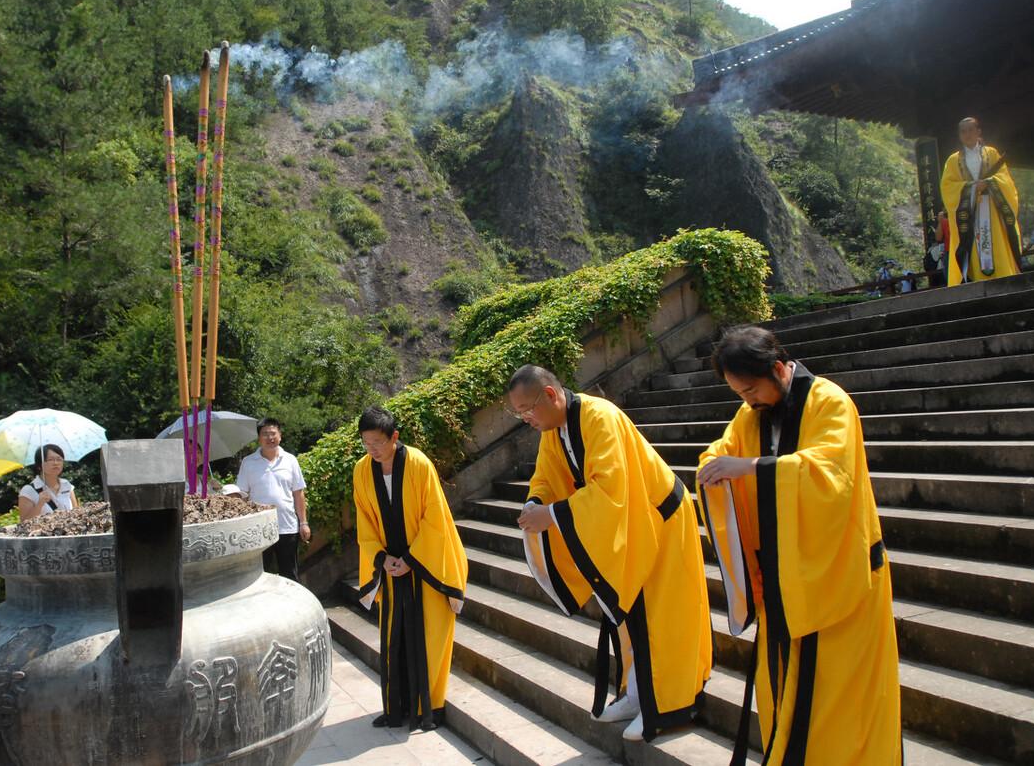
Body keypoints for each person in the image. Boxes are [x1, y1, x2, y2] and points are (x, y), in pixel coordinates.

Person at [696, 326, 901, 765]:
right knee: (787, 693)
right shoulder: (752, 412)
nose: (747, 401)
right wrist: (715, 465)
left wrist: (750, 466)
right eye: (739, 393)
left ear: (777, 369)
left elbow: (830, 473)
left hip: (842, 577)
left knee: (844, 701)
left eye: (750, 390)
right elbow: (722, 450)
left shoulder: (830, 402)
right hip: (786, 579)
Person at [510, 365, 711, 742]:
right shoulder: (554, 430)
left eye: (528, 409)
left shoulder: (599, 417)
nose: (525, 418)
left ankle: (668, 706)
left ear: (550, 395)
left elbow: (610, 486)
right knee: (630, 616)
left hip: (659, 518)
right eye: (519, 413)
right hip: (632, 521)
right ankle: (637, 695)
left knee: (663, 617)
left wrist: (551, 514)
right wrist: (535, 502)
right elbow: (545, 477)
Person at [353, 407, 467, 732]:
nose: (372, 449)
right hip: (390, 568)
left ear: (394, 437)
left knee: (426, 636)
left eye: (377, 442)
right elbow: (364, 519)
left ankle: (428, 709)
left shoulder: (418, 464)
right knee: (394, 639)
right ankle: (396, 708)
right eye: (366, 443)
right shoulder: (362, 471)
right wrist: (380, 558)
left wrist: (411, 560)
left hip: (424, 566)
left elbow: (435, 518)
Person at [940, 117, 1022, 285]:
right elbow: (948, 187)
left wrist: (990, 183)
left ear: (978, 132)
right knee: (974, 247)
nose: (967, 134)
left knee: (996, 244)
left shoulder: (991, 153)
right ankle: (976, 281)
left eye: (970, 130)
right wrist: (970, 187)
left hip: (992, 209)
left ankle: (1005, 278)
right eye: (963, 131)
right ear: (959, 135)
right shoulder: (953, 160)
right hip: (971, 211)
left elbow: (1005, 179)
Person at [236, 419, 308, 581]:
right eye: (265, 434)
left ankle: (290, 605)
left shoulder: (290, 460)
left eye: (273, 433)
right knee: (259, 576)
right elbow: (242, 495)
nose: (270, 437)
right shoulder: (248, 463)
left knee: (290, 574)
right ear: (259, 438)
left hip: (287, 527)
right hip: (259, 529)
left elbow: (298, 493)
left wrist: (303, 523)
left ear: (280, 436)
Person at [17, 444, 79, 521]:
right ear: (39, 465)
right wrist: (40, 504)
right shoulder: (28, 491)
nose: (56, 463)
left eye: (59, 459)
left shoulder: (66, 485)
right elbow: (23, 522)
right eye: (50, 459)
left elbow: (77, 514)